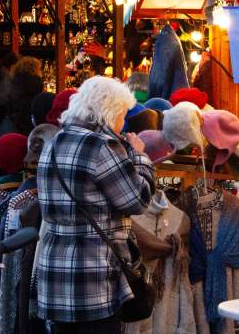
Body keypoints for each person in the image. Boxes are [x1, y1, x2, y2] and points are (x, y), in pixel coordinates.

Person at [36, 76, 155, 333]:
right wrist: (140, 156)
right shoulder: (101, 147)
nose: (123, 124)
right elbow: (138, 200)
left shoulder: (53, 143)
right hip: (93, 278)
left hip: (55, 274)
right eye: (122, 115)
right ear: (109, 113)